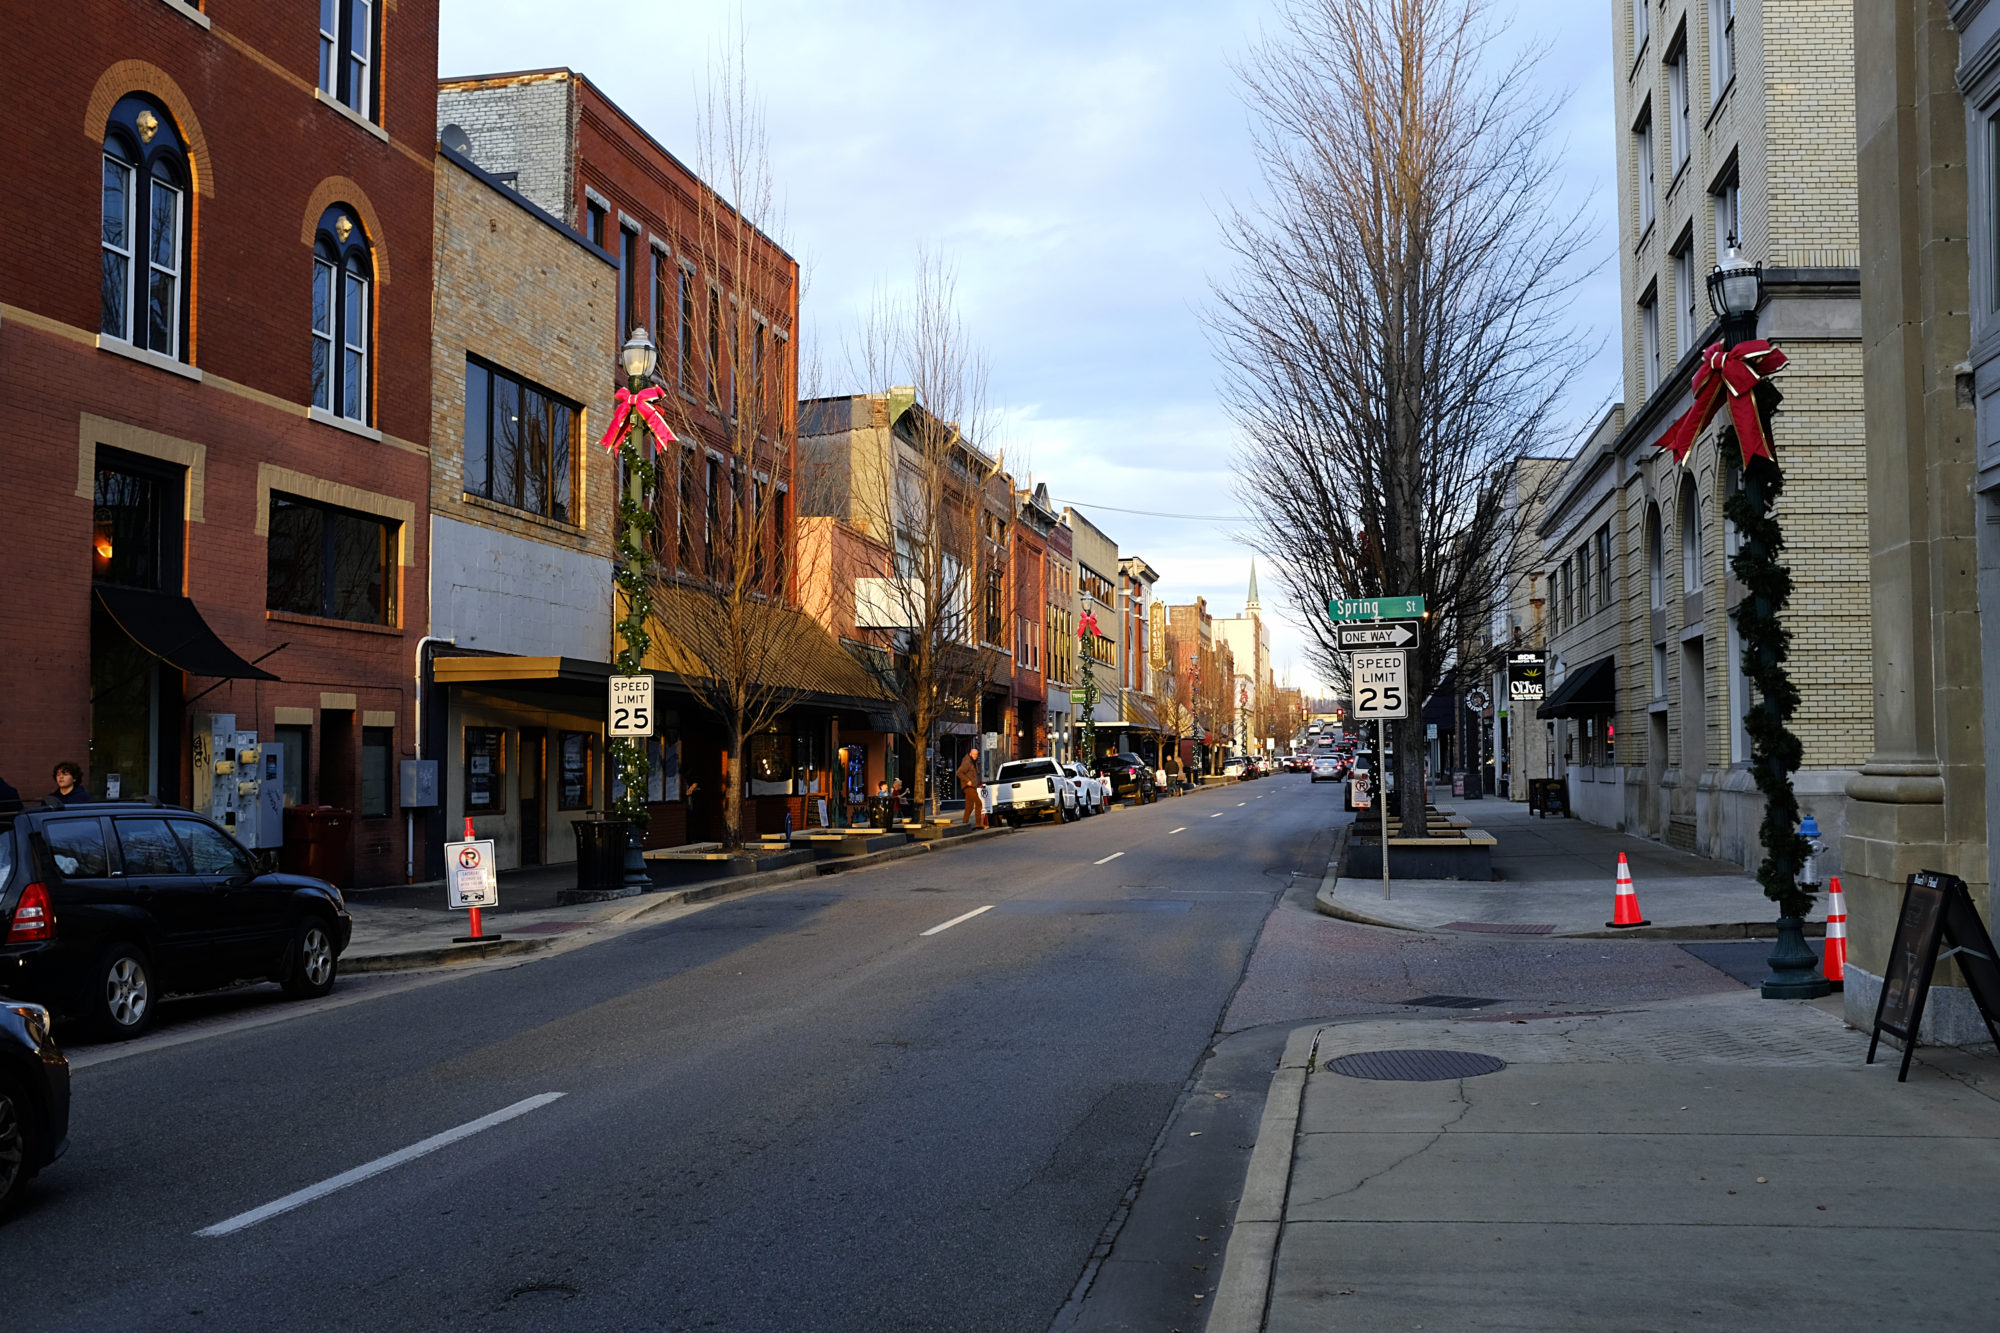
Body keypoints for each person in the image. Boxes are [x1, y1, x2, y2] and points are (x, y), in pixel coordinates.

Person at [955, 749, 984, 827]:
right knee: (978, 803)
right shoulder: (967, 762)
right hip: (968, 786)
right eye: (974, 754)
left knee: (969, 806)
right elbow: (959, 772)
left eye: (977, 754)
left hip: (973, 786)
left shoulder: (973, 762)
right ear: (970, 754)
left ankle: (964, 823)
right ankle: (978, 823)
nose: (975, 756)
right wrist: (967, 781)